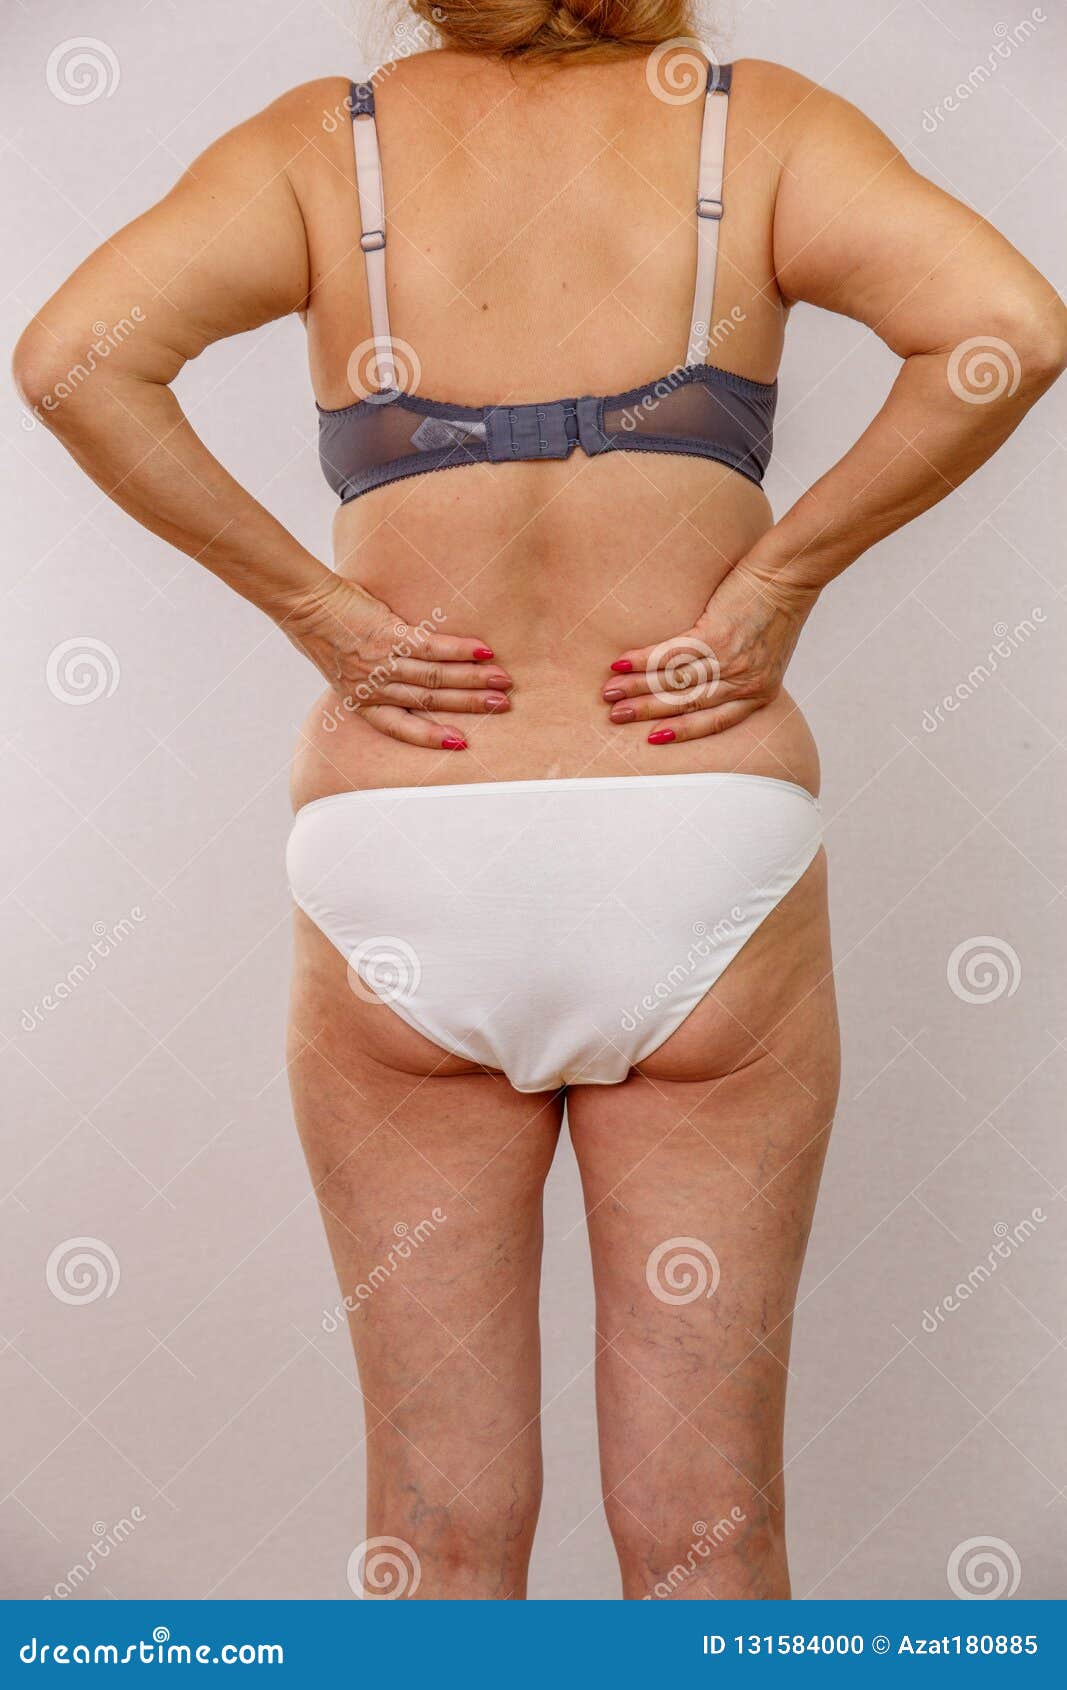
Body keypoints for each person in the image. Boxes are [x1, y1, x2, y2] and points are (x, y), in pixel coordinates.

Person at [14, 0, 1064, 1601]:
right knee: (714, 1544)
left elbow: (68, 360)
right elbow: (1013, 326)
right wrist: (778, 576)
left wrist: (321, 613)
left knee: (434, 1543)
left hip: (408, 847)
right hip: (695, 831)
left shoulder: (328, 145)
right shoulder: (748, 122)